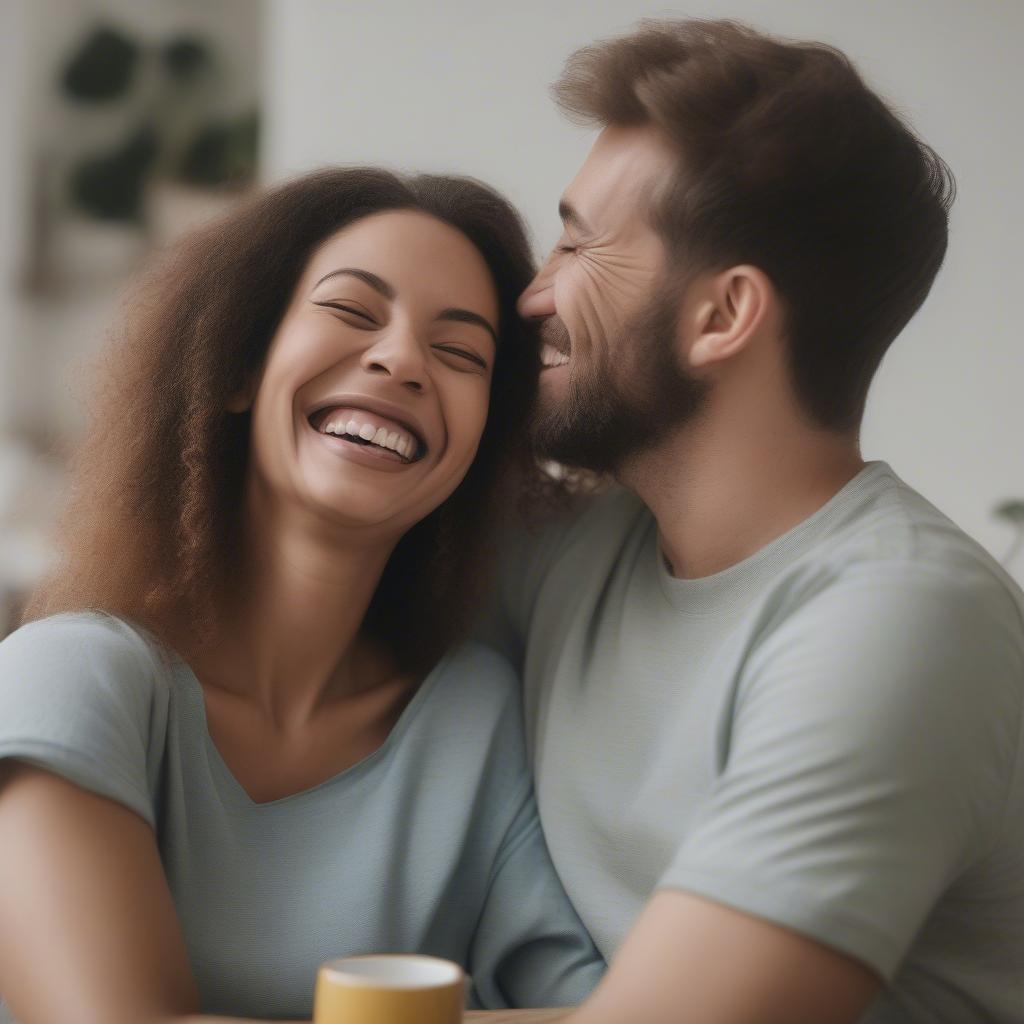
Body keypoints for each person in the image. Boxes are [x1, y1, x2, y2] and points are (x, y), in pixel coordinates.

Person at [479, 19, 1024, 1024]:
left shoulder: (903, 621)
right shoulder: (585, 547)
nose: (531, 294)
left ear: (721, 316)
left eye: (576, 244)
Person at [0, 168, 604, 1024]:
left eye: (461, 353)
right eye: (354, 312)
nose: (401, 360)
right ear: (241, 366)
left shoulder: (474, 717)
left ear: (482, 443)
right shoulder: (66, 678)